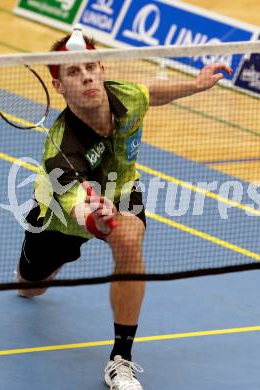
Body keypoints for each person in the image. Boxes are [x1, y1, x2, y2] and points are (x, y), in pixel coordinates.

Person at [17, 28, 232, 390]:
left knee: (129, 239)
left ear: (102, 68)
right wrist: (93, 216)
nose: (85, 75)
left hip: (122, 190)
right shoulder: (60, 152)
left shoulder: (124, 96)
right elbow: (74, 206)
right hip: (61, 216)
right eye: (73, 72)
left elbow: (149, 94)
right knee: (30, 287)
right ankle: (30, 273)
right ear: (59, 87)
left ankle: (121, 359)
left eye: (90, 66)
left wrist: (194, 85)